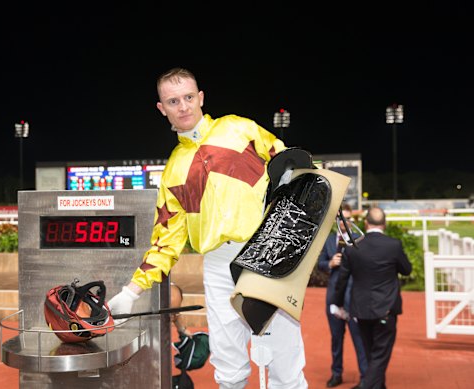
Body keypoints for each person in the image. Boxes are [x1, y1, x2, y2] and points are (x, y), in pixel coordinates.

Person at [108, 67, 308, 389]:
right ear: (162, 108)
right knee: (229, 369)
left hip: (269, 250)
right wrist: (133, 291)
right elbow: (166, 242)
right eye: (173, 101)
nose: (183, 106)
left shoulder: (239, 129)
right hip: (218, 265)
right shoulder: (173, 171)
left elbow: (288, 162)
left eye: (188, 97)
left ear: (201, 97)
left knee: (285, 365)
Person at [331, 207, 412, 389]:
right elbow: (407, 269)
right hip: (386, 309)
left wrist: (337, 304)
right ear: (384, 224)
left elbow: (342, 279)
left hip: (360, 309)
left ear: (366, 223)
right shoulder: (393, 245)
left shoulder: (353, 247)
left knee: (370, 353)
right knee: (379, 356)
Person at [317, 202, 367, 388]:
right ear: (336, 220)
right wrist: (330, 263)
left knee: (359, 339)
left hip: (354, 298)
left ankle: (365, 376)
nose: (344, 221)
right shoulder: (329, 240)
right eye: (341, 218)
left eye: (347, 218)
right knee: (336, 339)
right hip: (334, 297)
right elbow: (320, 264)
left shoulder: (359, 239)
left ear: (351, 220)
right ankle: (336, 373)